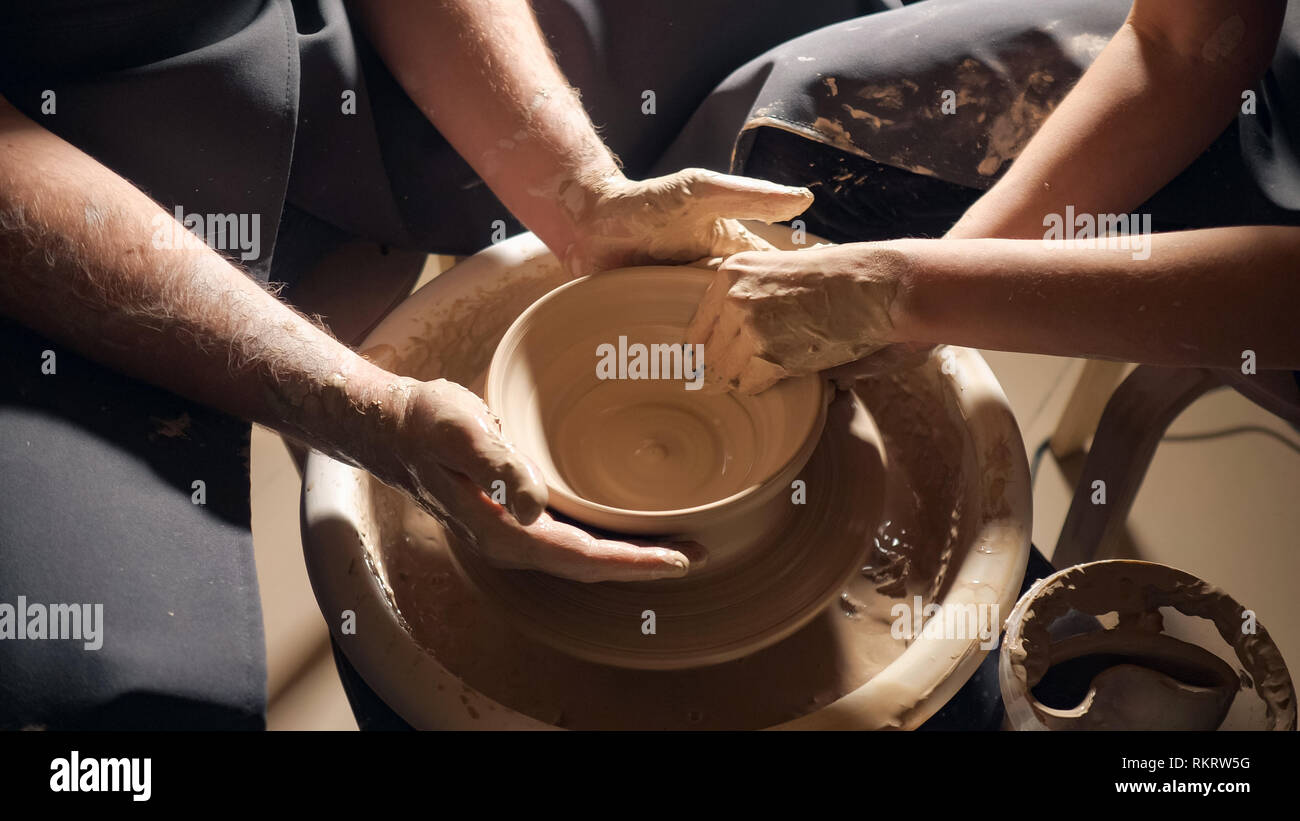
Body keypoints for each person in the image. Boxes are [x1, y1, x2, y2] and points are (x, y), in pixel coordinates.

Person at [0, 0, 895, 729]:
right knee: (116, 705)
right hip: (51, 174)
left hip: (303, 40)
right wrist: (359, 409)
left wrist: (585, 197)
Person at [680, 0, 1300, 396]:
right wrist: (955, 262)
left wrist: (904, 291)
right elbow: (1184, 45)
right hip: (1265, 57)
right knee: (797, 150)